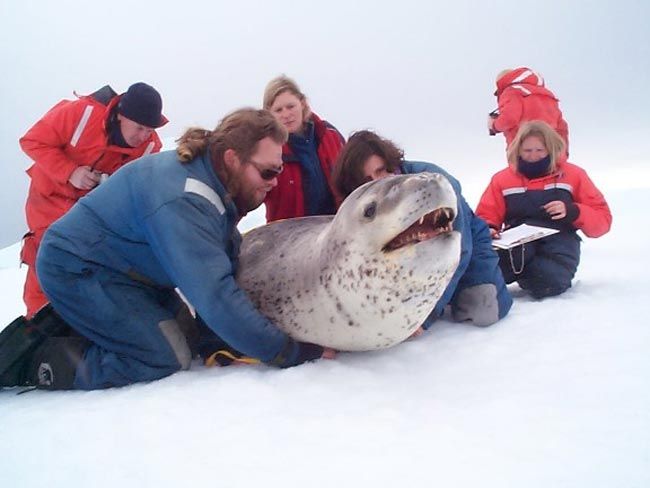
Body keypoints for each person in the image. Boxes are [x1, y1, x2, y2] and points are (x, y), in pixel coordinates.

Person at [2, 108, 332, 391]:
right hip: (78, 269)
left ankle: (94, 326)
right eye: (268, 171)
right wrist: (290, 352)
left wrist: (217, 338)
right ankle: (38, 361)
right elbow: (215, 296)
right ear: (233, 158)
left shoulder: (214, 179)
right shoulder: (183, 199)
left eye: (279, 171)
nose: (274, 180)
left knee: (189, 338)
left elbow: (224, 261)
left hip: (130, 273)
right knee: (164, 355)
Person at [332, 130, 512, 330]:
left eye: (381, 170)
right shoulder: (364, 201)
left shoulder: (432, 180)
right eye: (368, 178)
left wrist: (424, 318)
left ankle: (499, 267)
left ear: (391, 163)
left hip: (465, 246)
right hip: (411, 258)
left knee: (484, 310)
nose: (378, 180)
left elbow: (458, 247)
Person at [19, 82, 167, 319]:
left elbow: (139, 191)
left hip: (93, 212)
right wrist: (70, 172)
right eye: (139, 128)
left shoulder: (150, 148)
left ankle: (89, 325)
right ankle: (37, 325)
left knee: (94, 264)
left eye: (149, 130)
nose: (144, 136)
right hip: (49, 201)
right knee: (47, 254)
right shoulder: (80, 113)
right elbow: (32, 141)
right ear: (121, 116)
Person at [476, 121, 612, 299]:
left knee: (547, 282)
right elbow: (485, 215)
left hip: (559, 244)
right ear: (517, 149)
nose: (533, 156)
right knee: (484, 277)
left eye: (540, 150)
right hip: (516, 244)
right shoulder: (502, 179)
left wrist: (573, 211)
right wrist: (489, 228)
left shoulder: (574, 175)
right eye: (527, 151)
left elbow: (602, 220)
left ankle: (532, 277)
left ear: (551, 148)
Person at [262, 75, 345, 221]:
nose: (286, 115)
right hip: (291, 238)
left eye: (290, 106)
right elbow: (249, 193)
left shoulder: (329, 135)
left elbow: (351, 177)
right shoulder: (267, 151)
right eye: (279, 110)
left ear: (302, 103)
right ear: (269, 114)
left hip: (336, 226)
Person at [487, 67, 569, 151]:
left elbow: (510, 118)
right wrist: (562, 154)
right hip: (549, 152)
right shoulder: (548, 94)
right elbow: (562, 127)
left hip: (523, 152)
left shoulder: (511, 91)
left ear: (501, 82)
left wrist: (494, 125)